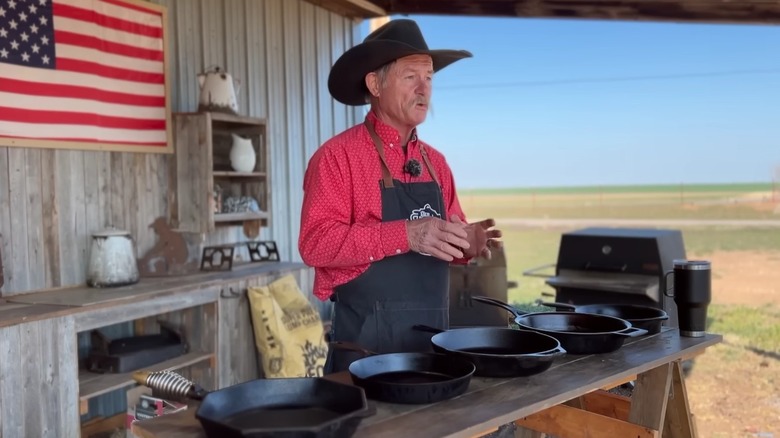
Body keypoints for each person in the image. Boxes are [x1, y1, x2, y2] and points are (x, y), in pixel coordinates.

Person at [298, 18, 502, 373]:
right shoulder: (336, 158)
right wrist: (408, 234)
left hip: (432, 357)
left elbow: (445, 238)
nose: (424, 88)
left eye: (429, 77)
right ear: (375, 83)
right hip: (363, 360)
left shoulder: (436, 163)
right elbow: (315, 244)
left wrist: (466, 242)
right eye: (411, 76)